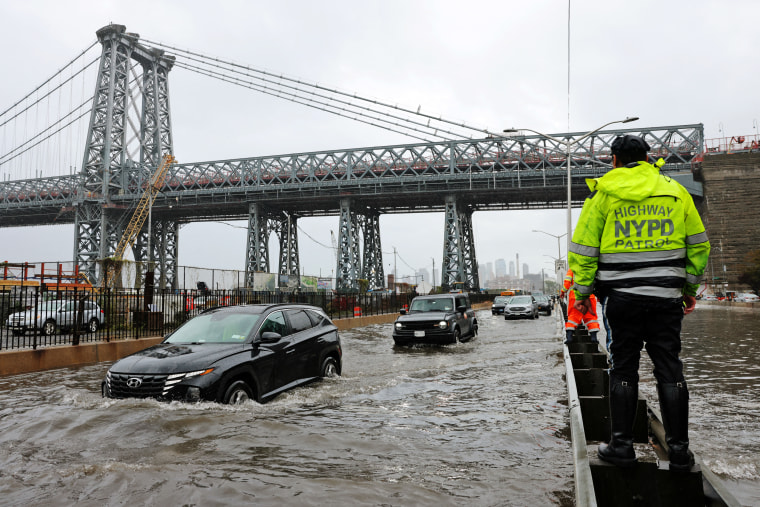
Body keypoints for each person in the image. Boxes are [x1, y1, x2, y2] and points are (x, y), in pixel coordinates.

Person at [568, 134, 710, 471]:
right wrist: (689, 289)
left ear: (613, 159)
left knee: (623, 368)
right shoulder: (676, 192)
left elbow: (584, 251)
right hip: (666, 299)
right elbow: (699, 246)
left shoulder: (602, 194)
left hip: (621, 300)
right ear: (649, 158)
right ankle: (678, 452)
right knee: (670, 368)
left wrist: (583, 295)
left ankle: (621, 447)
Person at [560, 268, 600, 344]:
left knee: (573, 317)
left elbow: (567, 283)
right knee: (591, 317)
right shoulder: (591, 268)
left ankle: (569, 337)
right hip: (589, 296)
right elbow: (598, 283)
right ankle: (594, 338)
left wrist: (563, 292)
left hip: (575, 296)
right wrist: (599, 295)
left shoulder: (572, 269)